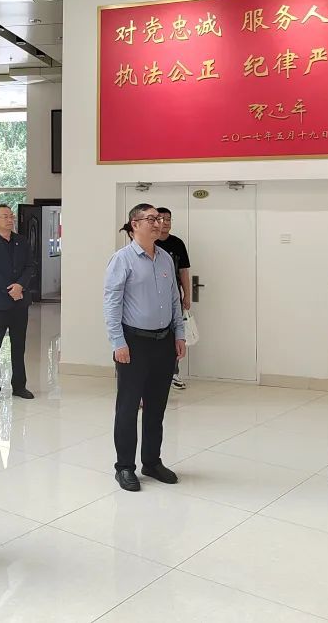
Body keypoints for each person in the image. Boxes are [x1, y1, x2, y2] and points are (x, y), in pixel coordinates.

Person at [103, 203, 186, 492]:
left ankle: (151, 461)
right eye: (151, 219)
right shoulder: (122, 259)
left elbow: (175, 299)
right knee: (128, 407)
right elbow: (111, 303)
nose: (158, 223)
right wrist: (118, 342)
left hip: (164, 342)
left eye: (160, 218)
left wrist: (179, 334)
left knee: (156, 407)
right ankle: (125, 467)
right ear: (134, 225)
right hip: (133, 342)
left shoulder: (165, 259)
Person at [0, 204, 36, 404]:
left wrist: (20, 286)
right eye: (5, 216)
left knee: (19, 346)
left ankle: (19, 386)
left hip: (20, 302)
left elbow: (30, 266)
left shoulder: (22, 241)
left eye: (11, 216)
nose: (10, 219)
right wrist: (10, 289)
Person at [155, 207, 192, 390]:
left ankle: (173, 373)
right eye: (160, 218)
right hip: (152, 298)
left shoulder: (177, 244)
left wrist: (187, 295)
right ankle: (154, 373)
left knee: (175, 334)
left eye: (168, 219)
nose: (165, 222)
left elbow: (184, 271)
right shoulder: (149, 243)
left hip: (173, 297)